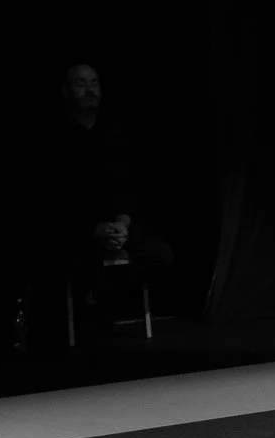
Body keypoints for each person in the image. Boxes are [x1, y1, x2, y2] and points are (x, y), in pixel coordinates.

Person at [34, 63, 172, 341]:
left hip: (117, 226)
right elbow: (52, 199)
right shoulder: (52, 137)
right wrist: (95, 228)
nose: (89, 90)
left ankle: (111, 303)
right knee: (76, 258)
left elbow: (128, 187)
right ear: (65, 90)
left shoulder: (114, 133)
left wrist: (121, 223)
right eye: (81, 83)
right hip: (77, 227)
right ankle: (89, 319)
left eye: (94, 83)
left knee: (161, 256)